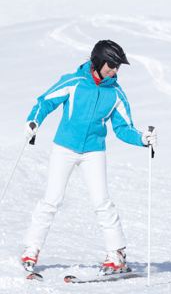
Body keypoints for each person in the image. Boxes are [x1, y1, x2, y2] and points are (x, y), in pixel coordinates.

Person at [21, 40, 157, 275]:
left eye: (117, 67)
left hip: (94, 151)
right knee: (51, 200)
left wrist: (143, 138)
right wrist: (34, 121)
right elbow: (45, 101)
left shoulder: (115, 93)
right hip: (64, 148)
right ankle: (31, 249)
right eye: (111, 65)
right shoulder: (74, 81)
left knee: (102, 202)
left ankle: (117, 254)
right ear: (97, 61)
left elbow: (123, 128)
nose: (114, 70)